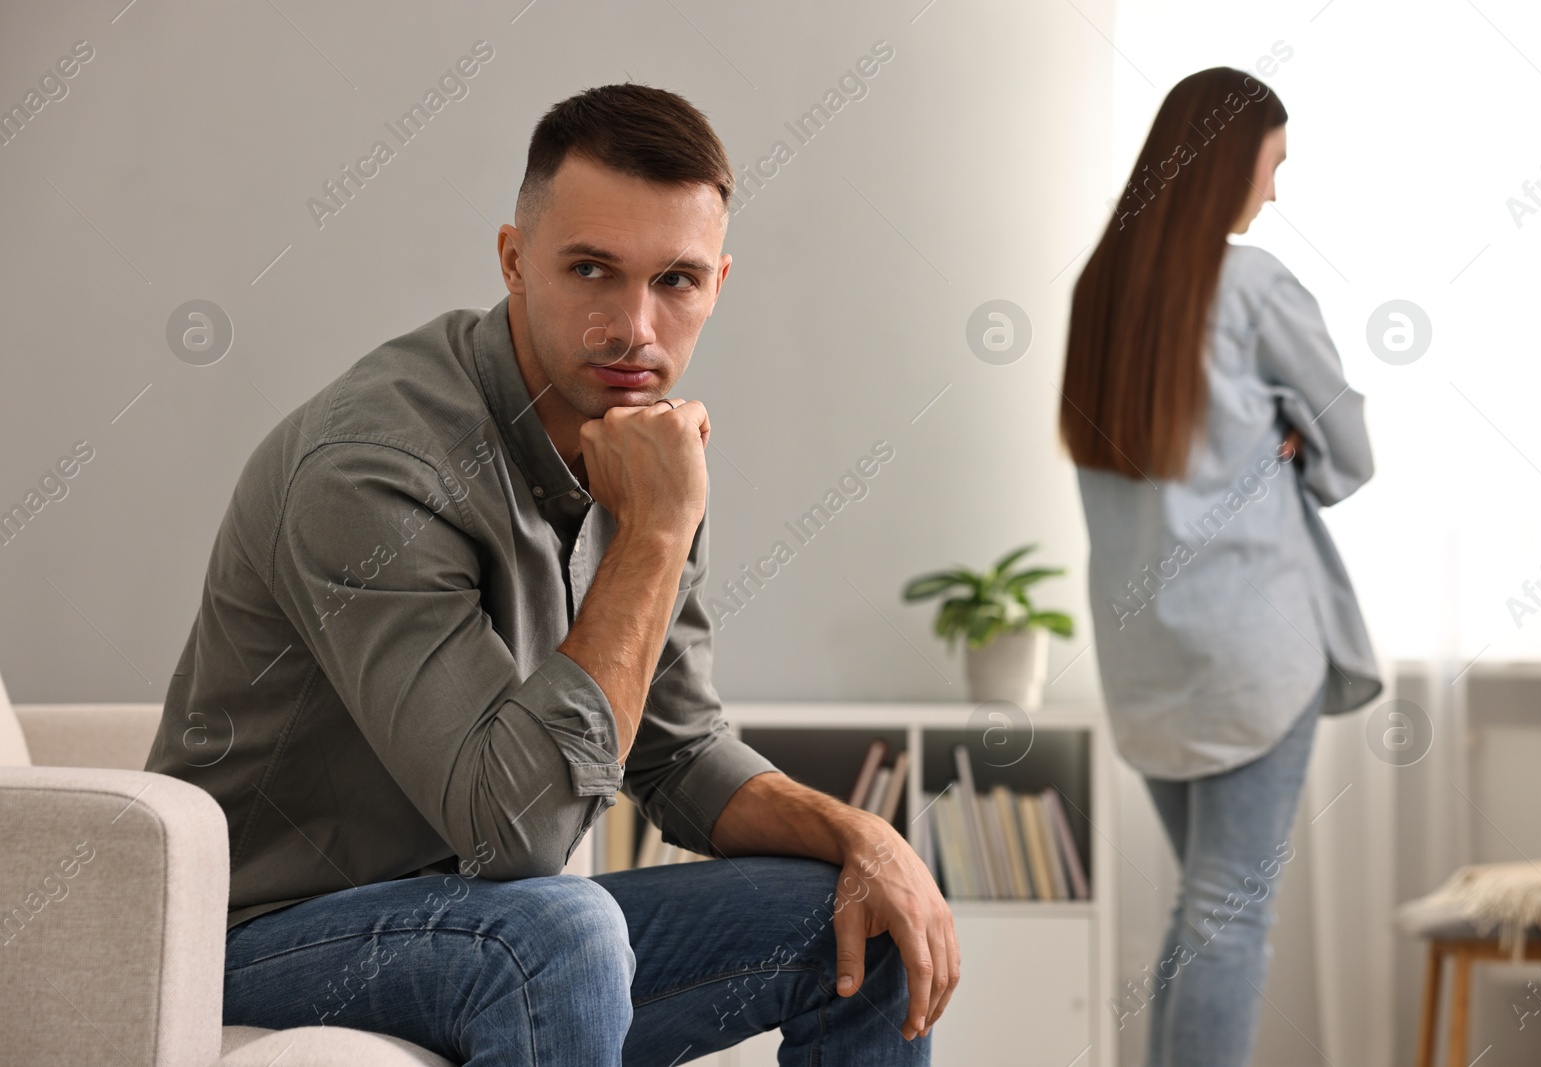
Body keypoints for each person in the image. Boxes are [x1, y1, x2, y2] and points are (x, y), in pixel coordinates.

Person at [146, 84, 956, 1065]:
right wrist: (654, 535)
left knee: (861, 913)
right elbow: (515, 833)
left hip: (488, 926)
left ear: (719, 282)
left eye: (676, 281)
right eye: (591, 270)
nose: (634, 329)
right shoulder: (372, 465)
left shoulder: (642, 452)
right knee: (556, 927)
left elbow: (677, 750)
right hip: (261, 935)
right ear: (514, 260)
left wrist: (860, 834)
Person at [1059, 67, 1381, 1067]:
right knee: (1227, 918)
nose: (1273, 191)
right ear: (1228, 161)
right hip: (1252, 651)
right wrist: (1284, 435)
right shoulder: (1250, 284)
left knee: (1201, 911)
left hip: (1147, 662)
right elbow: (1351, 451)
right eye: (1270, 163)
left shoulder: (1099, 292)